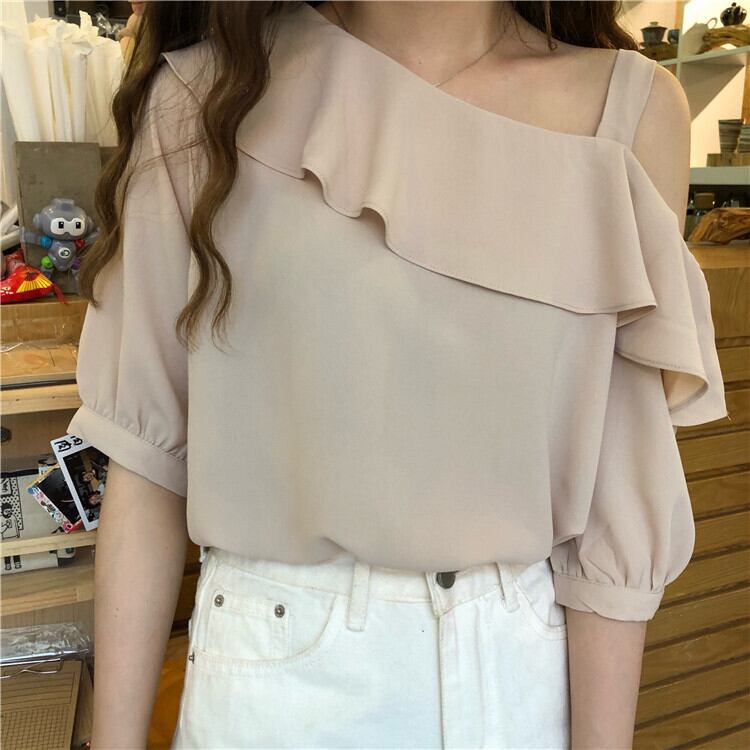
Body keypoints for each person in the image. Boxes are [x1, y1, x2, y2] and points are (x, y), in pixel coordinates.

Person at [67, 2, 728, 748]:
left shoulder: (633, 109)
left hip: (520, 677)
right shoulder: (204, 96)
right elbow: (148, 457)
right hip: (275, 684)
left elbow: (617, 501)